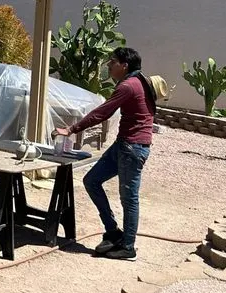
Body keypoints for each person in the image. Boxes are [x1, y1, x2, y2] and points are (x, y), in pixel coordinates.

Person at [56, 47, 157, 261]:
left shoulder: (129, 86)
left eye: (113, 62)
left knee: (129, 199)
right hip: (124, 145)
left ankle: (128, 246)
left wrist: (72, 129)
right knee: (91, 180)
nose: (109, 65)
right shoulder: (138, 81)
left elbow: (103, 112)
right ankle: (112, 232)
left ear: (124, 65)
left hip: (132, 148)